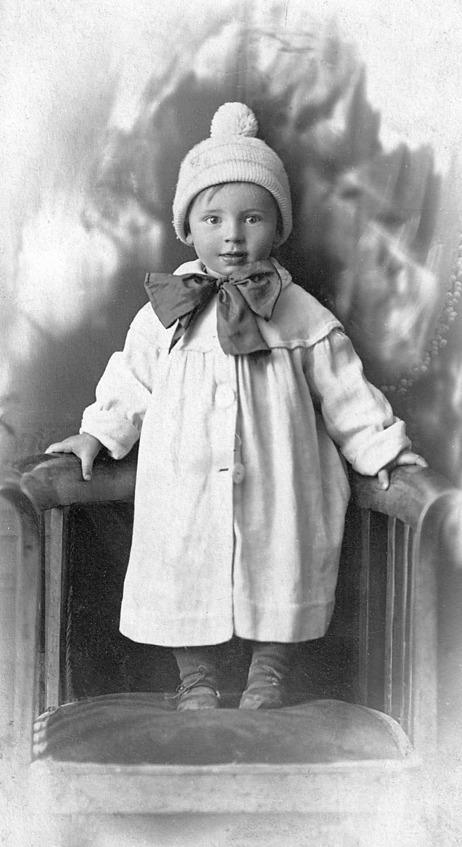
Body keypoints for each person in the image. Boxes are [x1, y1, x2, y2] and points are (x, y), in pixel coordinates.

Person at [46, 102, 426, 712]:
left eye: (252, 218)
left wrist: (383, 449)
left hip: (279, 476)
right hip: (186, 478)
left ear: (277, 228)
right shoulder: (168, 311)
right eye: (214, 218)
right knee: (183, 563)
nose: (233, 235)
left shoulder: (299, 313)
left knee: (279, 561)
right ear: (188, 229)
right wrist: (98, 432)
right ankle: (195, 678)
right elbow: (130, 379)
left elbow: (345, 389)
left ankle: (269, 672)